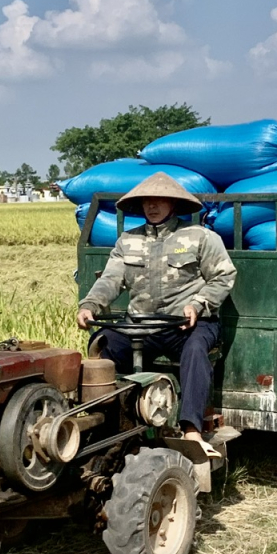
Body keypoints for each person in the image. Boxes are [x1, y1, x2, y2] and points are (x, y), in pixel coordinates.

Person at [77, 172, 236, 455]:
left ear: (173, 204)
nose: (152, 206)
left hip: (186, 326)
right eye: (147, 202)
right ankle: (106, 425)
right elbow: (111, 280)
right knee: (103, 346)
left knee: (197, 350)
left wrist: (198, 305)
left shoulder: (200, 237)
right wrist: (90, 305)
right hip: (141, 326)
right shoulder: (128, 241)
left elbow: (223, 277)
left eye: (159, 200)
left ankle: (191, 431)